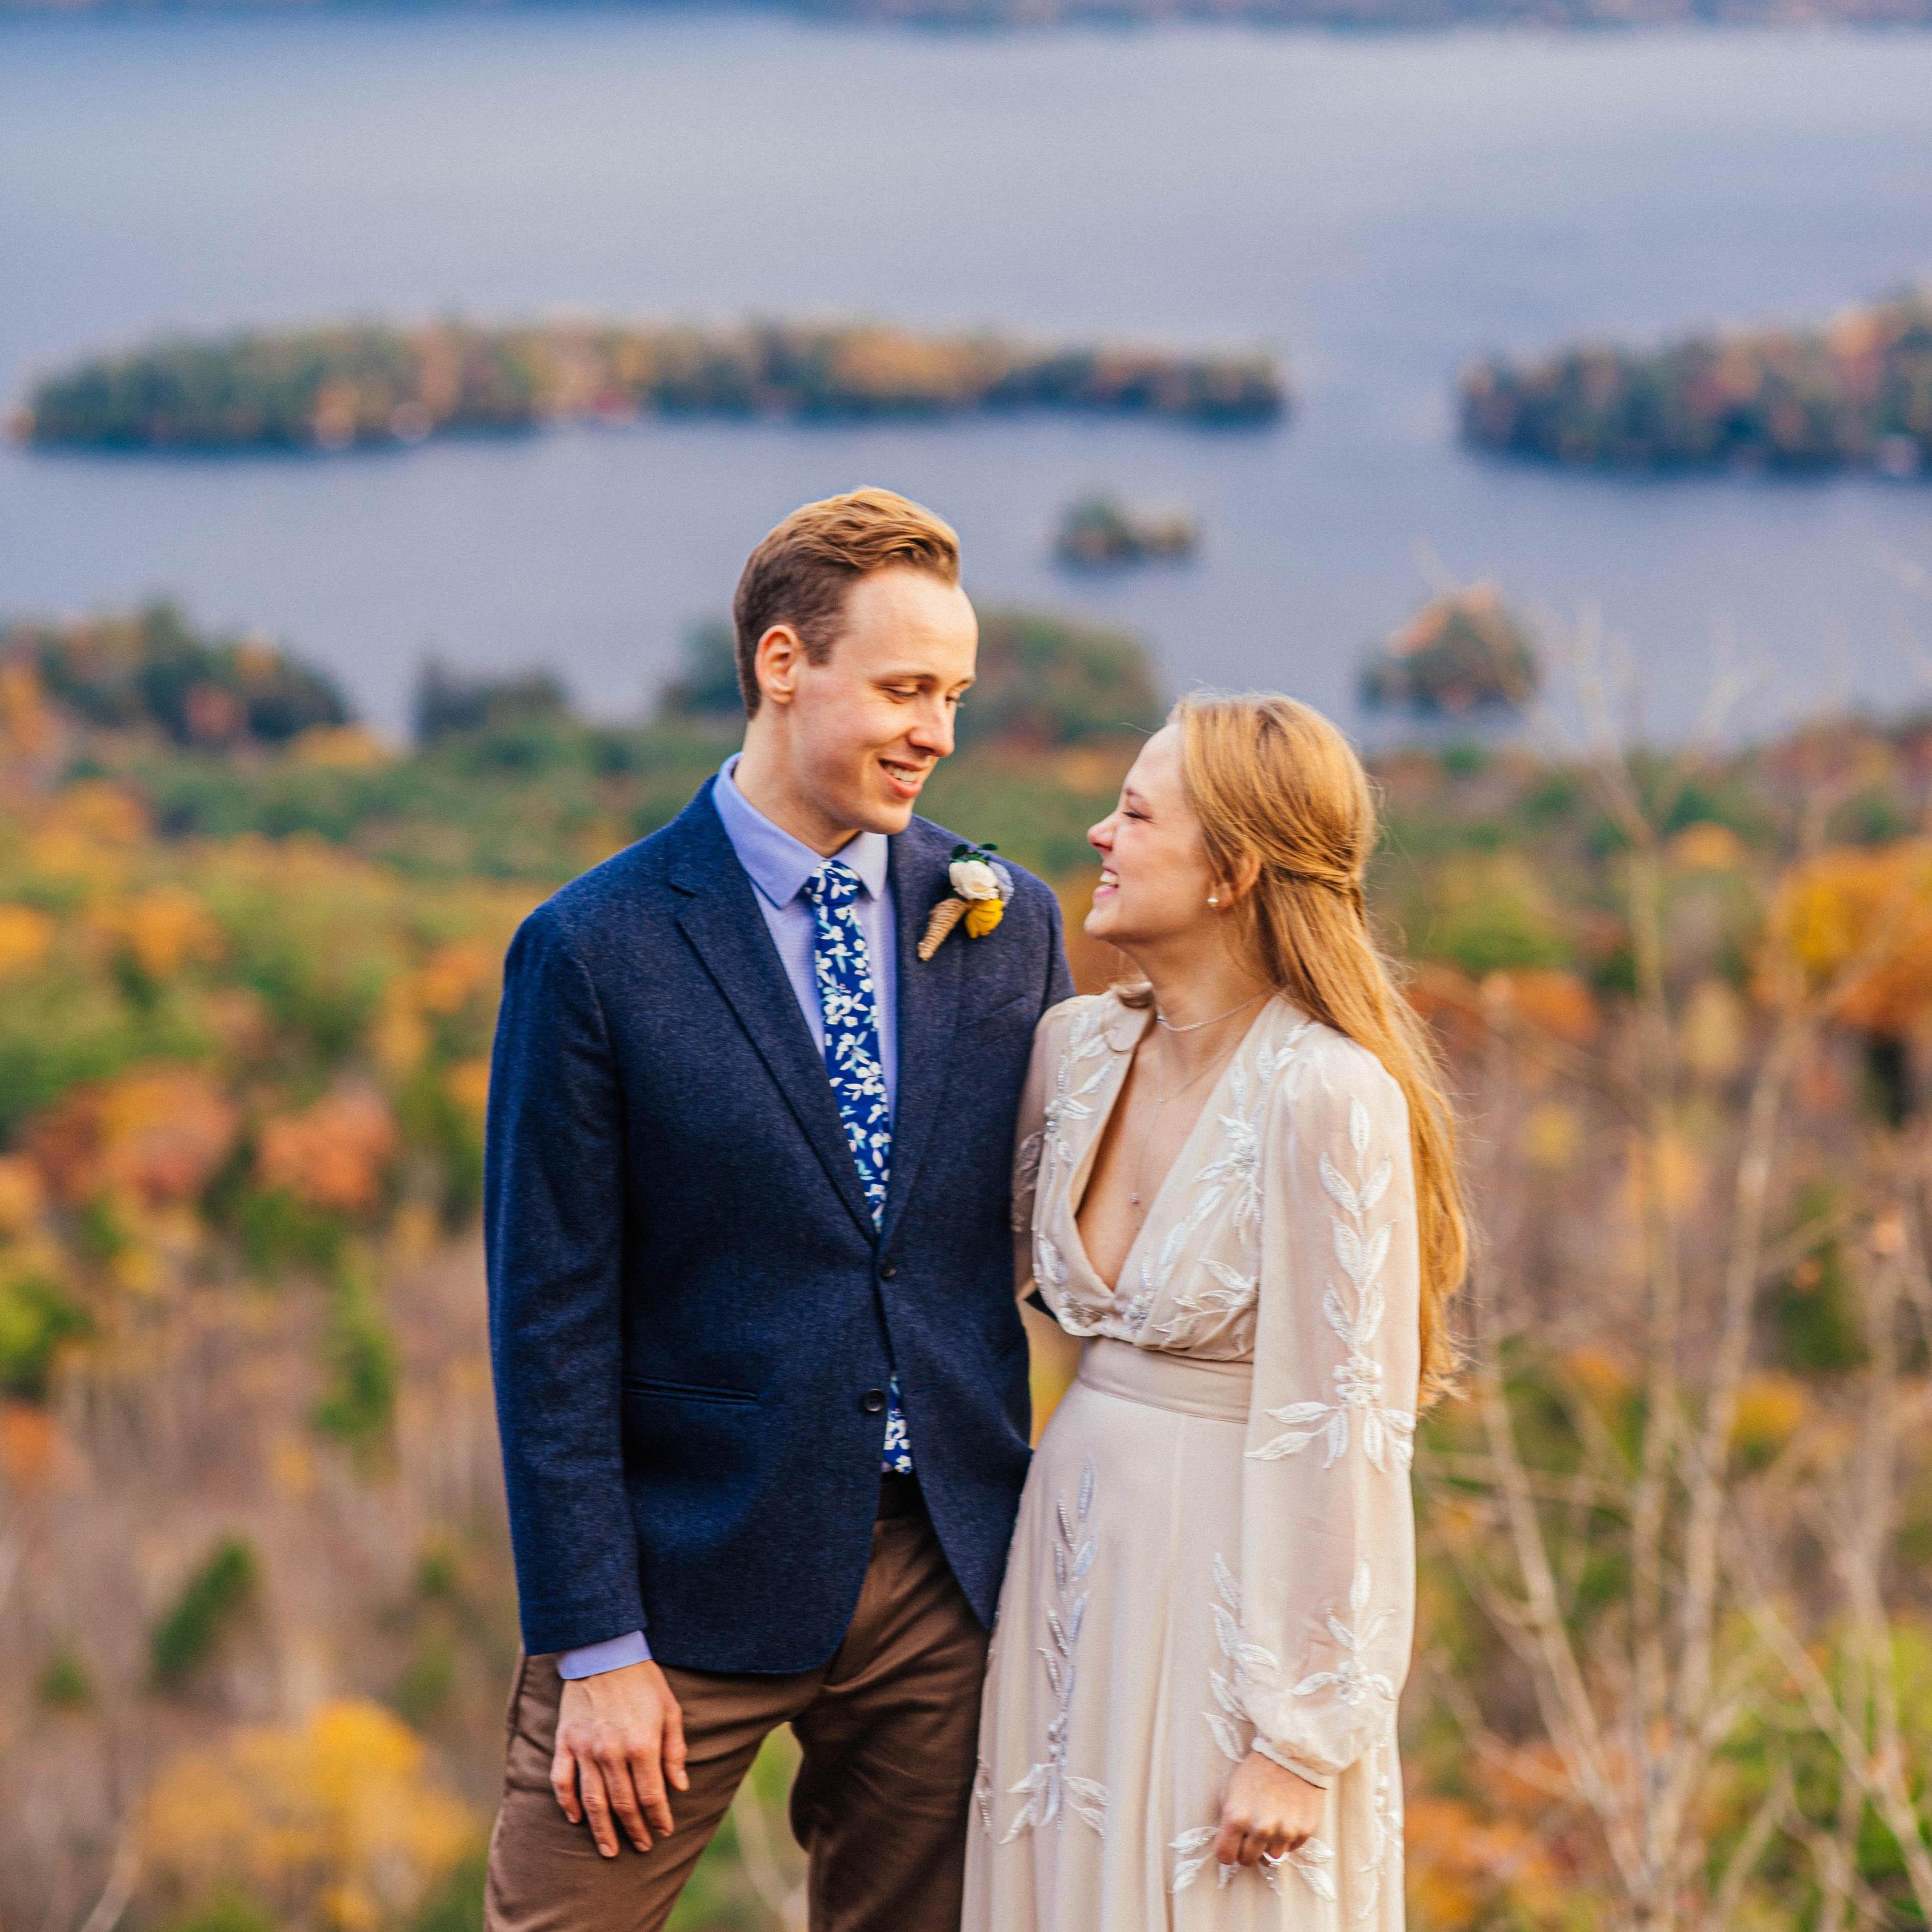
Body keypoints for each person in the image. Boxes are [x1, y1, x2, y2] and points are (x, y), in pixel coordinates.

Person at [482, 487, 1073, 1932]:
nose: (936, 729)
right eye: (903, 687)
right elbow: (547, 1319)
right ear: (781, 664)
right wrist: (597, 1643)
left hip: (947, 1575)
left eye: (953, 694)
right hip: (679, 1589)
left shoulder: (1011, 919)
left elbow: (1068, 1220)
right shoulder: (592, 948)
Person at [965, 692, 1466, 1930]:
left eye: (1135, 814)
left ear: (1232, 870)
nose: (1097, 833)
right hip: (1072, 1570)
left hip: (1235, 1590)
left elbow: (1345, 1427)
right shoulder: (1074, 1050)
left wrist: (1301, 1734)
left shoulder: (1325, 1093)